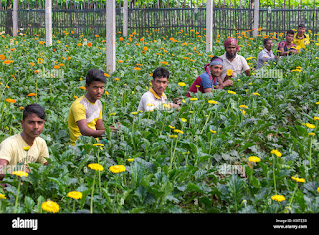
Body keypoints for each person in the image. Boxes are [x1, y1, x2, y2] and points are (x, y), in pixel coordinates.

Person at [0, 104, 49, 186]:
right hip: (8, 191)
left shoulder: (41, 143)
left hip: (28, 188)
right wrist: (18, 173)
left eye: (40, 123)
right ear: (22, 124)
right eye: (31, 122)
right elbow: (0, 171)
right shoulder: (9, 144)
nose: (36, 127)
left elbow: (46, 168)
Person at [68, 68, 109, 146]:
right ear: (86, 87)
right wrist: (106, 132)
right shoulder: (79, 105)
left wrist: (113, 129)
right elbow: (84, 131)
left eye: (102, 87)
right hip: (80, 147)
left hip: (95, 144)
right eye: (95, 87)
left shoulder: (98, 103)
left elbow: (99, 127)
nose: (99, 91)